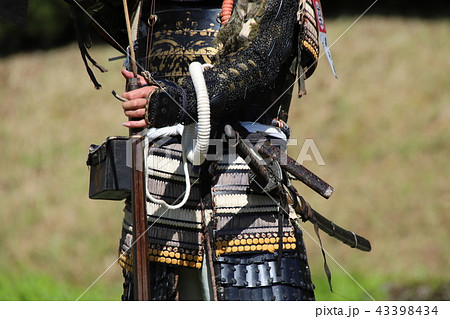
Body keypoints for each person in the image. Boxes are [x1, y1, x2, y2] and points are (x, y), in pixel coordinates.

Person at [74, 0, 322, 301]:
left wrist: (178, 102)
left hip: (243, 190)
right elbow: (115, 24)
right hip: (159, 192)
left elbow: (262, 61)